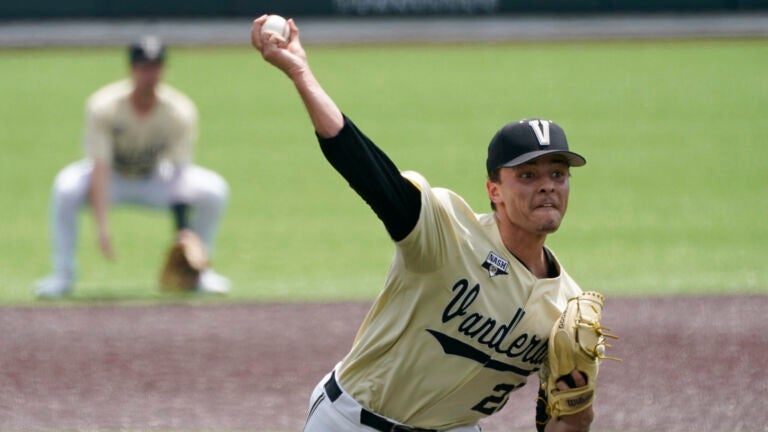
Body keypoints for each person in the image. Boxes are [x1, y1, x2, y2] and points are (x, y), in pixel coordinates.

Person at [252, 15, 597, 432]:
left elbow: (566, 423)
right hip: (355, 422)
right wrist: (300, 73)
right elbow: (366, 170)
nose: (547, 187)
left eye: (557, 174)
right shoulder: (446, 232)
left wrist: (579, 412)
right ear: (495, 191)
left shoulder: (568, 307)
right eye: (528, 176)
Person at [34, 36, 230, 298]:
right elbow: (99, 166)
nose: (150, 74)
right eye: (143, 67)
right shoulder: (104, 105)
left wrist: (183, 231)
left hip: (154, 178)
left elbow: (179, 175)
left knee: (214, 190)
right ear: (131, 69)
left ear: (164, 69)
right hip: (111, 178)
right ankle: (62, 276)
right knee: (66, 187)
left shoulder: (179, 111)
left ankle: (199, 273)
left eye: (155, 66)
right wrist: (102, 228)